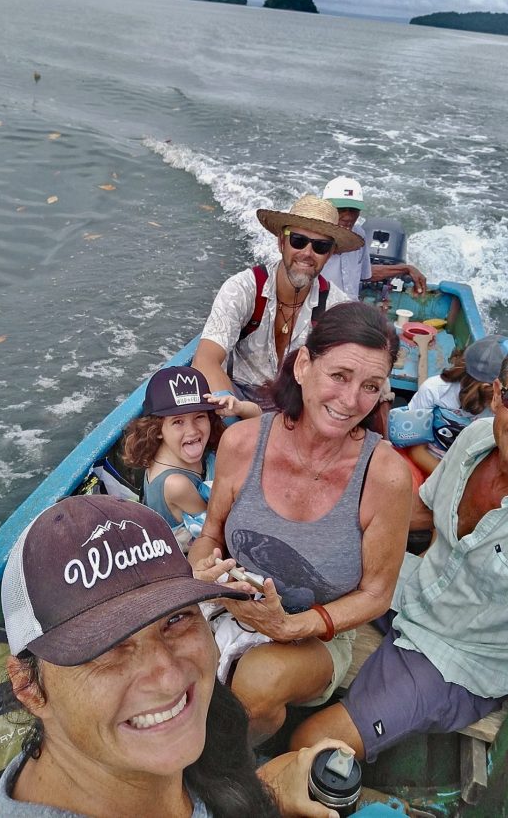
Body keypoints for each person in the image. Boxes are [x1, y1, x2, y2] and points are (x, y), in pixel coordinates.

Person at [291, 329, 508, 770]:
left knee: (309, 744)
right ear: (497, 396)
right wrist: (321, 522)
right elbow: (421, 513)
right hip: (411, 589)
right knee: (295, 581)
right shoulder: (476, 439)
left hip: (457, 659)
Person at [0, 496, 349, 817]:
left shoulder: (200, 733)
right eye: (105, 647)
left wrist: (269, 789)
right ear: (29, 686)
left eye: (176, 619)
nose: (168, 678)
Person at [189, 302, 412, 743]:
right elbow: (211, 534)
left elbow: (376, 595)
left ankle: (230, 770)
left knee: (257, 683)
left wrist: (290, 627)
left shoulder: (384, 475)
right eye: (340, 376)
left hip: (321, 631)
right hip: (229, 604)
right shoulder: (241, 443)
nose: (351, 401)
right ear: (306, 365)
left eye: (371, 386)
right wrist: (204, 571)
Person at [192, 194, 362, 406]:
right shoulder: (243, 289)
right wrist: (238, 422)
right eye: (298, 241)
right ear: (281, 242)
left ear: (330, 254)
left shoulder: (337, 308)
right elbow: (205, 360)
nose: (307, 253)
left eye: (320, 246)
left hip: (298, 406)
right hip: (236, 397)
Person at [122, 366, 258, 548]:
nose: (192, 430)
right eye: (178, 421)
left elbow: (259, 423)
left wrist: (240, 407)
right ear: (158, 430)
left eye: (199, 416)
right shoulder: (176, 485)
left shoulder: (185, 445)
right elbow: (216, 530)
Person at [402, 333, 508, 478]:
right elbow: (416, 451)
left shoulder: (506, 408)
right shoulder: (434, 390)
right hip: (427, 463)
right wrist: (450, 480)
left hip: (464, 472)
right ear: (488, 387)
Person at [322, 177, 426, 297]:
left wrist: (405, 268)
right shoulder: (311, 239)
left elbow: (366, 273)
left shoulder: (359, 234)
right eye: (341, 210)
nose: (348, 217)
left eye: (353, 210)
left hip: (348, 310)